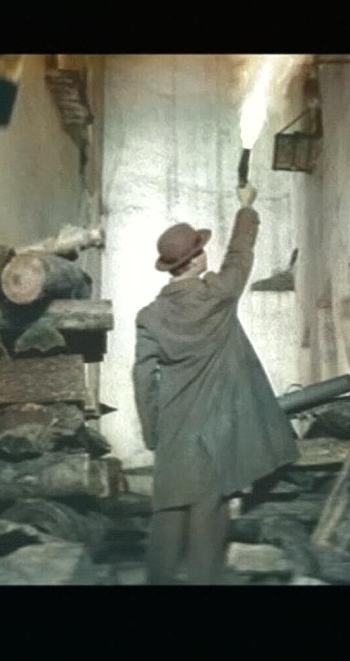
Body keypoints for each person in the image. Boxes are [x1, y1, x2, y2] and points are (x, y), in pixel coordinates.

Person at [133, 184, 299, 585]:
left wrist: (154, 433)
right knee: (207, 535)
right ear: (196, 259)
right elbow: (239, 256)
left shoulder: (150, 317)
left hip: (174, 436)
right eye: (201, 249)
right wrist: (246, 208)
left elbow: (143, 378)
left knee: (166, 525)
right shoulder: (217, 295)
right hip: (214, 438)